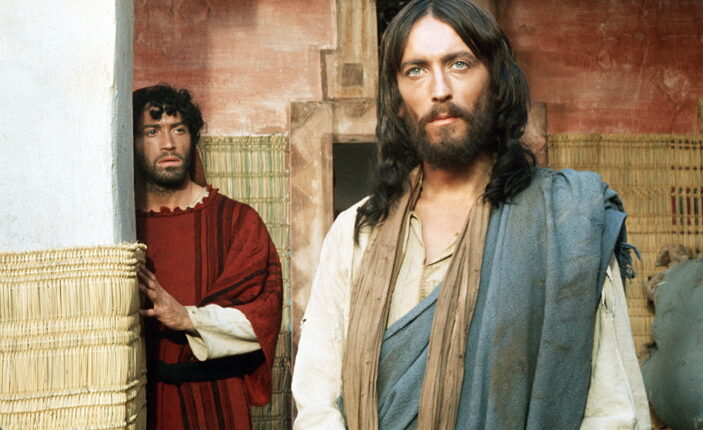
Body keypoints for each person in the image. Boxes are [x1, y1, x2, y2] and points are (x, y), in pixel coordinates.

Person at [292, 1, 650, 429]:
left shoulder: (566, 222)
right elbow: (317, 401)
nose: (439, 89)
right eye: (416, 70)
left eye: (459, 64)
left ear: (496, 82)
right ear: (398, 99)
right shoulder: (356, 231)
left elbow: (612, 410)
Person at [133, 84, 282, 430]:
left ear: (192, 138)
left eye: (178, 129)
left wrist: (188, 318)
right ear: (132, 142)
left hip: (217, 403)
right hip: (136, 403)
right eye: (152, 131)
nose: (168, 144)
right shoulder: (118, 230)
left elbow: (263, 318)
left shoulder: (237, 222)